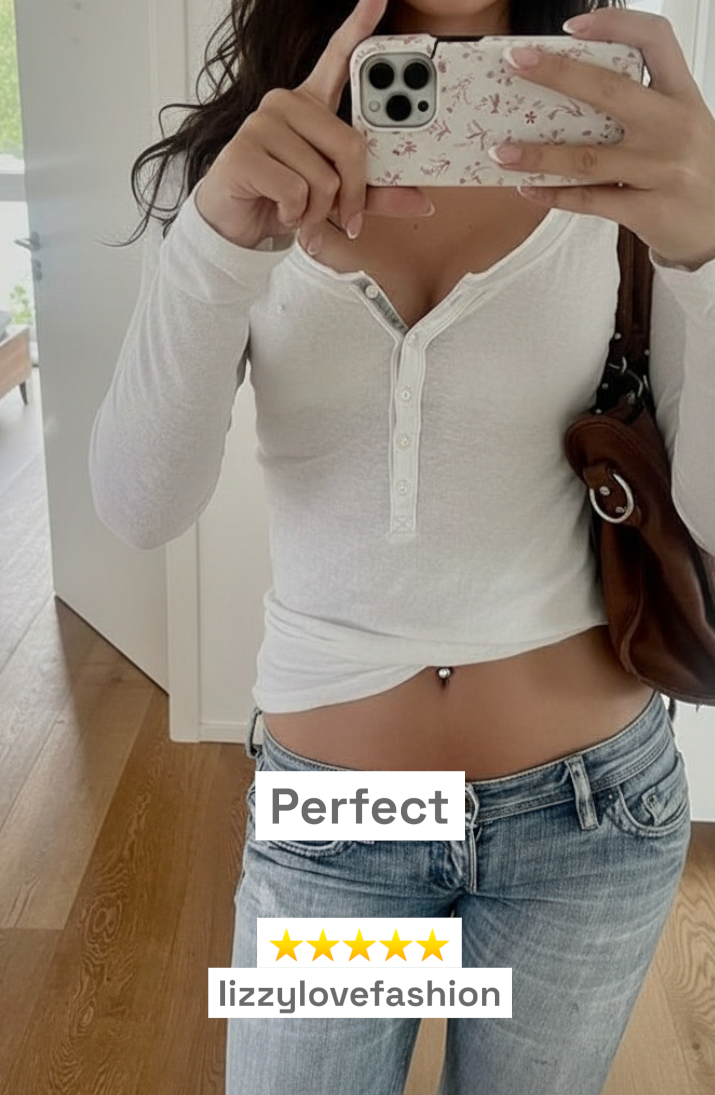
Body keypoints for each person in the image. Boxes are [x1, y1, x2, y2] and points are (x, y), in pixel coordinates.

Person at [89, 0, 715, 1091]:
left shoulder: (615, 148)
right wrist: (217, 246)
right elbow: (140, 508)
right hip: (339, 819)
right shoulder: (249, 160)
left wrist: (708, 257)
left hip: (593, 813)